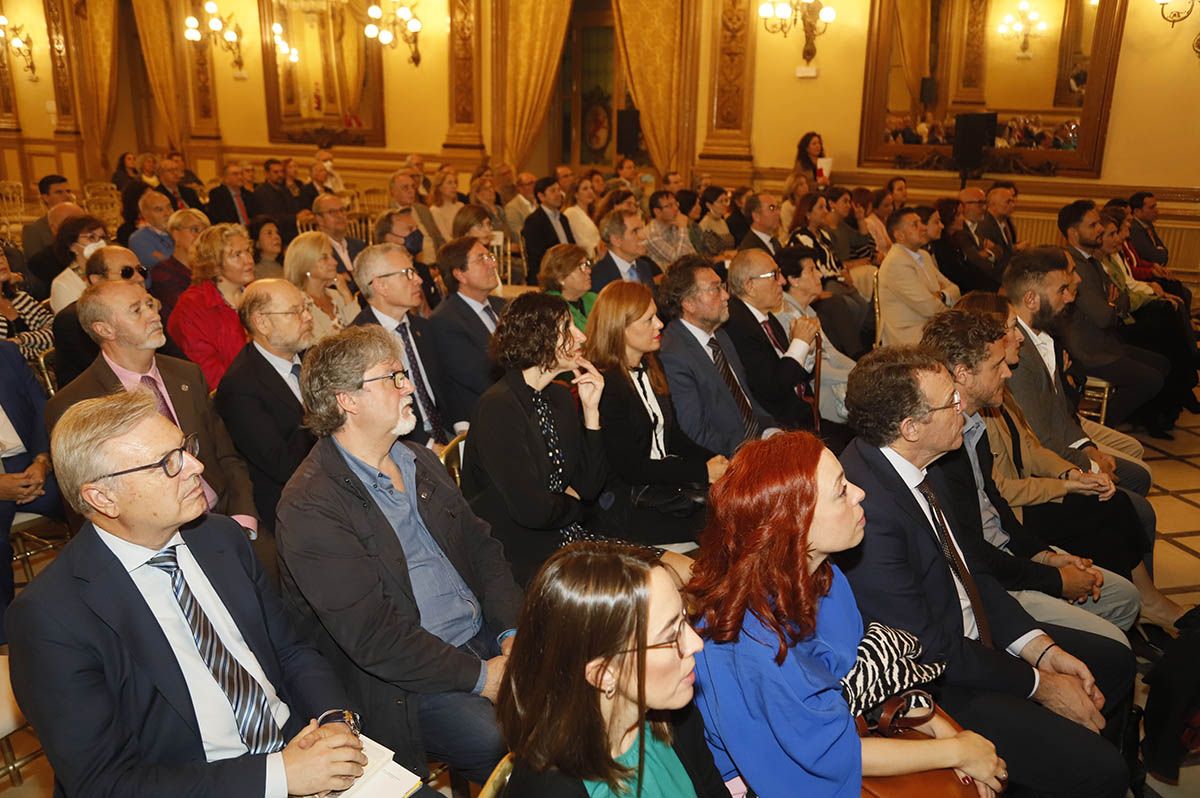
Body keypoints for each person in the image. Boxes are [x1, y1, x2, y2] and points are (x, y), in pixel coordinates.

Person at [11, 390, 366, 796]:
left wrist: (334, 721)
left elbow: (290, 650)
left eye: (185, 447)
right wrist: (279, 777)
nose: (196, 466)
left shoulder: (220, 538)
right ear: (102, 497)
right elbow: (103, 784)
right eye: (167, 463)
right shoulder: (50, 618)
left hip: (299, 743)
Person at [838, 346, 1135, 798]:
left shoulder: (924, 461)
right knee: (1099, 769)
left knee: (1114, 664)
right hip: (942, 681)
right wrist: (1040, 685)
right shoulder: (868, 510)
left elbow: (972, 572)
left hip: (975, 637)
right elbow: (927, 647)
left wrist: (1041, 650)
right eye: (949, 402)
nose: (963, 407)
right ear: (910, 428)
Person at [690, 431, 1006, 797]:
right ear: (795, 524)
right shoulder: (749, 642)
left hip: (842, 736)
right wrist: (957, 751)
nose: (859, 493)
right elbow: (829, 756)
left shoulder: (825, 576)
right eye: (841, 490)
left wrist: (948, 733)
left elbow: (867, 681)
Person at [276, 325, 522, 783]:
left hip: (482, 638)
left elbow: (484, 550)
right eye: (392, 377)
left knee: (580, 679)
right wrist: (483, 677)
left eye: (403, 374)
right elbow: (375, 638)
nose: (408, 386)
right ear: (346, 399)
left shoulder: (417, 460)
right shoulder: (311, 504)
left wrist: (512, 632)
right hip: (404, 681)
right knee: (497, 735)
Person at [954, 291, 1191, 638]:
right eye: (1009, 328)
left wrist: (1072, 473)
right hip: (1016, 509)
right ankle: (1139, 608)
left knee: (1115, 503)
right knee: (1106, 511)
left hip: (1018, 502)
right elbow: (1000, 491)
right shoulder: (982, 398)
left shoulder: (997, 387)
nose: (1018, 334)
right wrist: (1067, 485)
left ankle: (1143, 604)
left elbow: (1032, 447)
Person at [919, 309, 1143, 645]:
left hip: (1006, 556)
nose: (1009, 372)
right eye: (997, 365)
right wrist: (1055, 579)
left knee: (1125, 595)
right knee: (1115, 646)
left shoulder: (973, 425)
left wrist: (1046, 556)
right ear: (963, 374)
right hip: (988, 582)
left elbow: (997, 507)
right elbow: (973, 553)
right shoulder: (941, 449)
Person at [499, 542, 730, 797]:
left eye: (684, 618)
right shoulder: (551, 789)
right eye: (670, 635)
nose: (696, 643)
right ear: (603, 674)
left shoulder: (675, 714)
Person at [47, 279, 259, 533]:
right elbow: (86, 508)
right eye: (136, 310)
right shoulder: (76, 404)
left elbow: (226, 456)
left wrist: (243, 517)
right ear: (104, 329)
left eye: (150, 304)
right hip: (152, 535)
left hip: (222, 515)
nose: (153, 315)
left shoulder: (187, 375)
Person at [461, 292, 607, 586]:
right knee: (651, 583)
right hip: (522, 553)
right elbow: (532, 511)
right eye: (567, 329)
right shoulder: (499, 406)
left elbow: (589, 486)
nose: (580, 337)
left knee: (676, 570)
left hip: (566, 536)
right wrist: (574, 502)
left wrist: (592, 412)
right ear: (538, 337)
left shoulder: (559, 396)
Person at [584, 282, 726, 546]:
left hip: (661, 488)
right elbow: (630, 469)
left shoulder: (650, 365)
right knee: (724, 523)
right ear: (620, 328)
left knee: (736, 506)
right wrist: (701, 471)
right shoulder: (608, 385)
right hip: (629, 503)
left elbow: (674, 437)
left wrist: (720, 462)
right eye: (649, 319)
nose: (660, 325)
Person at [1055, 204, 1173, 433]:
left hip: (1107, 343)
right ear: (1073, 233)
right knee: (1151, 379)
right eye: (1093, 225)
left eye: (1099, 223)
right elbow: (1103, 316)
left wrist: (1115, 305)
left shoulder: (1093, 261)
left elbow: (1122, 297)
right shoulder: (1075, 266)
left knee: (1162, 363)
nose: (1100, 228)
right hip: (1089, 351)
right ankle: (1100, 428)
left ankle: (1138, 418)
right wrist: (1114, 306)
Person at [214, 279, 317, 534]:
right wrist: (324, 409)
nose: (307, 318)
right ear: (262, 323)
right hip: (297, 505)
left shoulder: (313, 356)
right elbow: (283, 465)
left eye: (306, 308)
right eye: (295, 312)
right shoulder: (240, 386)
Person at [658, 256, 778, 458]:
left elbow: (746, 400)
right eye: (715, 289)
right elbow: (696, 433)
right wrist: (753, 453)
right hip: (729, 459)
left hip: (755, 444)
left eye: (722, 286)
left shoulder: (720, 335)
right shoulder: (674, 354)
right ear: (688, 303)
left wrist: (771, 432)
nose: (726, 296)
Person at [350, 243, 457, 446]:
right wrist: (428, 446)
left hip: (445, 432)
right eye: (407, 273)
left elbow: (446, 387)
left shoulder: (423, 328)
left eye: (414, 272)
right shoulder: (358, 342)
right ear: (381, 285)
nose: (419, 280)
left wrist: (462, 426)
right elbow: (374, 417)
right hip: (400, 444)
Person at [0, 342, 61, 642]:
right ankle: (8, 638)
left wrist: (41, 460)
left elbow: (42, 410)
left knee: (86, 495)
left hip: (29, 463)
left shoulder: (6, 353)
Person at [723, 248, 817, 431]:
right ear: (750, 286)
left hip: (803, 415)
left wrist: (808, 349)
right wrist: (800, 344)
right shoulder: (737, 325)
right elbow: (773, 389)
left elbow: (798, 376)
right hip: (780, 426)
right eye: (774, 275)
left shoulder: (766, 317)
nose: (782, 281)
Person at [429, 237, 507, 427]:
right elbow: (482, 377)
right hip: (484, 417)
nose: (492, 264)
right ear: (459, 274)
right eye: (482, 259)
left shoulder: (502, 306)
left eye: (490, 257)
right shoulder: (446, 320)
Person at [774, 246, 857, 426]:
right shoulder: (786, 315)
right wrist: (854, 376)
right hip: (815, 392)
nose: (819, 275)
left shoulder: (808, 310)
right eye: (812, 270)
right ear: (794, 280)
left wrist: (859, 369)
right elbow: (814, 370)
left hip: (829, 381)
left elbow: (830, 352)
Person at [167, 223, 253, 388]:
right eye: (237, 255)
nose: (248, 260)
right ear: (214, 263)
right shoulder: (192, 308)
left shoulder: (256, 291)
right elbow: (211, 377)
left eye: (247, 251)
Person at [788, 193, 873, 358]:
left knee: (864, 305)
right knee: (847, 305)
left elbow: (836, 262)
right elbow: (813, 269)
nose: (826, 211)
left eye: (826, 207)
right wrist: (838, 278)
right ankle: (855, 352)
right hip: (823, 283)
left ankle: (858, 346)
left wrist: (844, 274)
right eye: (820, 207)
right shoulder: (801, 236)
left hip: (837, 279)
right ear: (807, 213)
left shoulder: (824, 235)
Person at [53, 246, 152, 386]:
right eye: (127, 272)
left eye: (141, 270)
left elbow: (171, 357)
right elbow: (107, 374)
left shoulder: (148, 307)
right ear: (97, 280)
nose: (140, 278)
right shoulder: (72, 320)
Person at [877, 207, 960, 346]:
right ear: (899, 235)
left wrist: (941, 295)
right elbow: (930, 308)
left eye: (921, 223)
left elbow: (955, 289)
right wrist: (942, 300)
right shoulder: (896, 262)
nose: (923, 228)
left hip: (931, 329)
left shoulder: (924, 256)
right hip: (908, 337)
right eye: (915, 225)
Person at [284, 230, 357, 343]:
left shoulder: (338, 295)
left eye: (331, 256)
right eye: (324, 257)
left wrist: (347, 294)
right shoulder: (299, 303)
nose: (334, 262)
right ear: (305, 263)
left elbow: (363, 332)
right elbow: (320, 345)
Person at [48, 214, 109, 313]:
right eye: (91, 237)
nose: (99, 243)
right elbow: (72, 323)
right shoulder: (62, 284)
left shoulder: (110, 271)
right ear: (72, 246)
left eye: (102, 238)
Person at [522, 176, 576, 286]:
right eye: (553, 191)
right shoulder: (534, 220)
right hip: (548, 273)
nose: (558, 194)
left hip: (567, 270)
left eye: (559, 190)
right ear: (541, 196)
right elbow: (536, 256)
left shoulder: (563, 218)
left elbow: (572, 246)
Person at [0, 249, 53, 360]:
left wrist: (22, 339)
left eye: (1, 254)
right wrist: (40, 342)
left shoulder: (21, 298)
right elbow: (6, 356)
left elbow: (57, 330)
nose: (1, 261)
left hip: (48, 370)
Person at [591, 208, 659, 292]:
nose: (644, 236)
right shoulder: (598, 276)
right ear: (616, 240)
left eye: (642, 229)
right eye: (635, 231)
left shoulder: (644, 267)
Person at [312, 193, 366, 290]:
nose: (340, 215)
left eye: (342, 210)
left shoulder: (359, 246)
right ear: (319, 219)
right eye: (332, 212)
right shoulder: (316, 250)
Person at [540, 243, 597, 331]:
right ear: (560, 277)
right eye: (581, 267)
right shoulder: (551, 309)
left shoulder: (594, 299)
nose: (589, 271)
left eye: (587, 264)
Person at [22, 174, 74, 259]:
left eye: (68, 191)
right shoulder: (34, 230)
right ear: (45, 198)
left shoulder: (83, 224)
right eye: (59, 192)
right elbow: (35, 265)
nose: (67, 196)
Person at [254, 158, 304, 244]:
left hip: (290, 233)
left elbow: (293, 208)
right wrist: (296, 217)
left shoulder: (284, 189)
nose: (280, 175)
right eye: (276, 172)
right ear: (267, 174)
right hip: (274, 235)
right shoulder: (261, 191)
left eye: (282, 172)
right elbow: (270, 216)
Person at [644, 190, 695, 269]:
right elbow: (680, 260)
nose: (676, 208)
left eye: (676, 204)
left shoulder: (675, 224)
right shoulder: (651, 234)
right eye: (670, 206)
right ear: (657, 212)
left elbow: (692, 254)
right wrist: (682, 228)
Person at [129, 189, 175, 268]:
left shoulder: (181, 230)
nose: (167, 213)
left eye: (169, 207)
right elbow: (167, 265)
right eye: (159, 210)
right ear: (145, 214)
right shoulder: (139, 238)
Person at [205, 161, 259, 226]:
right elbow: (220, 219)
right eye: (235, 174)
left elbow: (255, 217)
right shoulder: (217, 194)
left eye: (241, 174)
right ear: (225, 178)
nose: (240, 177)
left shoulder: (248, 195)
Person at [736, 192, 784, 259]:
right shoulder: (749, 249)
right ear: (756, 216)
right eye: (771, 208)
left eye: (777, 208)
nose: (778, 213)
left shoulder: (774, 242)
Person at [428, 168, 465, 252]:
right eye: (449, 183)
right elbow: (446, 238)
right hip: (450, 250)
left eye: (455, 182)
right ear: (439, 187)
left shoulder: (460, 206)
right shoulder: (435, 210)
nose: (454, 186)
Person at [563, 177, 600, 258]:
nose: (590, 191)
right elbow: (580, 241)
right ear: (576, 194)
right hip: (585, 258)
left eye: (591, 188)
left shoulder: (592, 213)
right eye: (585, 189)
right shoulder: (571, 212)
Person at [696, 186, 735, 259]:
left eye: (726, 200)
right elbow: (709, 255)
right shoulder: (705, 224)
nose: (725, 204)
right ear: (709, 205)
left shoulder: (723, 221)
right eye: (720, 201)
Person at [249, 214, 284, 279]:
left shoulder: (286, 266)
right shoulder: (254, 272)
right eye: (269, 233)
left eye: (277, 233)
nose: (276, 237)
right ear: (257, 243)